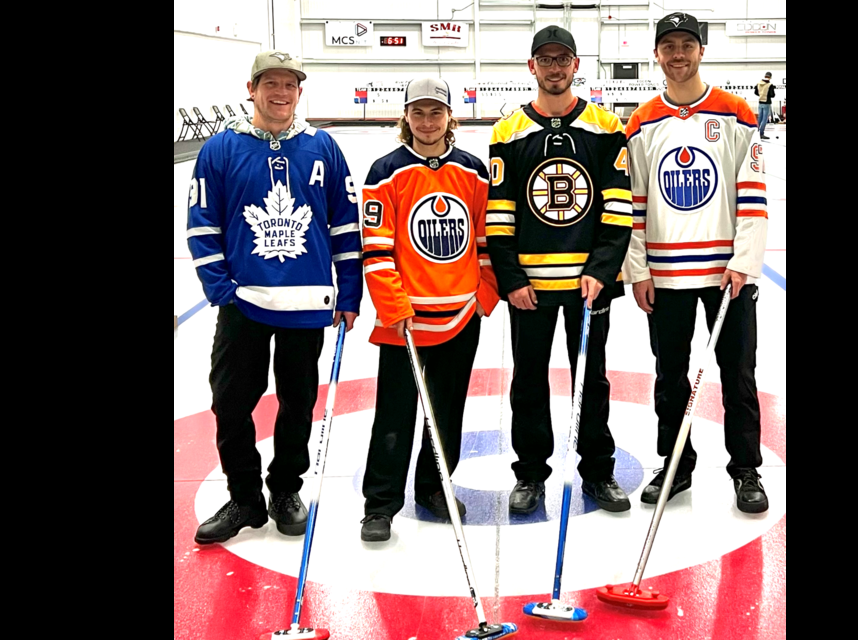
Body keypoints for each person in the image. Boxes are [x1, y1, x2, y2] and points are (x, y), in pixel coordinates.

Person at [188, 51, 363, 544]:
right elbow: (203, 225)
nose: (281, 93)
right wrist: (223, 290)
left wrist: (348, 292)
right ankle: (244, 497)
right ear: (252, 88)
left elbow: (347, 225)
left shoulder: (323, 148)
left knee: (297, 403)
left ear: (300, 91)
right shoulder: (221, 149)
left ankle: (286, 489)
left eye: (290, 84)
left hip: (307, 306)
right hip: (243, 303)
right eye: (271, 83)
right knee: (230, 401)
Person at [624, 13, 769, 513]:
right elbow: (634, 204)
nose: (679, 54)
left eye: (688, 44)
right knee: (670, 376)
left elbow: (752, 195)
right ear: (658, 55)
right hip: (665, 277)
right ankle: (676, 463)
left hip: (725, 275)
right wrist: (637, 270)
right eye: (669, 46)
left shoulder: (736, 114)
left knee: (738, 373)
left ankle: (746, 469)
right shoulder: (642, 121)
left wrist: (744, 263)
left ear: (702, 50)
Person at [487, 26, 633, 515]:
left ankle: (598, 471)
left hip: (589, 285)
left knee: (591, 379)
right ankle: (530, 473)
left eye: (562, 59)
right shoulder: (508, 131)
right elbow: (500, 212)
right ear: (532, 66)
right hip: (531, 288)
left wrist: (604, 269)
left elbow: (617, 206)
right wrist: (511, 279)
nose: (554, 68)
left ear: (575, 64)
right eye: (545, 60)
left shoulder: (606, 126)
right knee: (528, 380)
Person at [358, 78, 499, 542]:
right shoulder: (385, 172)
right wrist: (394, 306)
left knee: (446, 412)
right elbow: (376, 251)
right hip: (407, 322)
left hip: (459, 317)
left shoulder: (473, 171)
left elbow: (485, 240)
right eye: (417, 113)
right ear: (405, 117)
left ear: (449, 117)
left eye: (435, 113)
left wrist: (485, 293)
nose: (427, 121)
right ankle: (380, 505)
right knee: (394, 414)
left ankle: (434, 488)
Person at [754, 72, 776, 140]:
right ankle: (761, 133)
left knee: (759, 118)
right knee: (765, 119)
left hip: (760, 102)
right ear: (770, 77)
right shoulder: (770, 85)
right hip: (766, 103)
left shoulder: (758, 83)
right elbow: (772, 95)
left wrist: (761, 95)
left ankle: (755, 133)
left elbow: (756, 92)